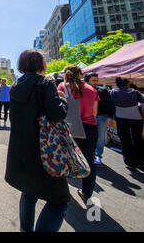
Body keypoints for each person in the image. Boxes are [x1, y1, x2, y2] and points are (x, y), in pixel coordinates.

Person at [6, 49, 69, 232]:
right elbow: (57, 114)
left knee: (29, 192)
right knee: (60, 202)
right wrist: (62, 100)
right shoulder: (46, 83)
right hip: (46, 152)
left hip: (21, 152)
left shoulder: (15, 86)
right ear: (41, 64)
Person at [58, 65, 99, 205]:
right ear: (80, 74)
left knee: (64, 158)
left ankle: (62, 191)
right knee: (89, 160)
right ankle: (86, 193)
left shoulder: (62, 87)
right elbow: (94, 113)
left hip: (69, 127)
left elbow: (59, 109)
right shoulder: (91, 89)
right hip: (89, 127)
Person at [111, 77, 144, 172]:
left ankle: (130, 163)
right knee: (138, 139)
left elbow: (112, 106)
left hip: (121, 118)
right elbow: (142, 105)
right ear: (127, 83)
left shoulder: (113, 92)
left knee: (125, 140)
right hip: (137, 118)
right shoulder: (135, 92)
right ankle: (141, 162)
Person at [84, 73, 115, 167]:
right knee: (88, 137)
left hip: (101, 117)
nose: (96, 82)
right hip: (87, 118)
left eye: (97, 80)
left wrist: (110, 117)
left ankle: (97, 156)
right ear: (87, 80)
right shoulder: (83, 90)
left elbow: (110, 104)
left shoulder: (102, 91)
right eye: (93, 80)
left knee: (100, 137)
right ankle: (89, 155)